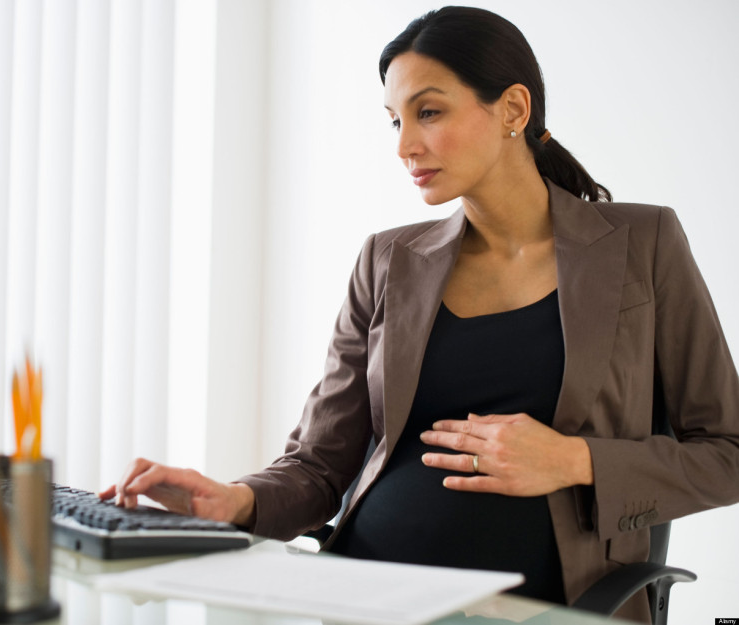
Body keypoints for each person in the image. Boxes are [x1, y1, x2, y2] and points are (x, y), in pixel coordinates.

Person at [100, 6, 739, 622]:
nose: (405, 145)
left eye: (428, 112)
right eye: (394, 120)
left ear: (513, 109)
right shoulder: (387, 260)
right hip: (365, 594)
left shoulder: (641, 244)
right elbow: (321, 466)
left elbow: (728, 451)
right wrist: (234, 500)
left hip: (546, 608)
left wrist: (576, 461)